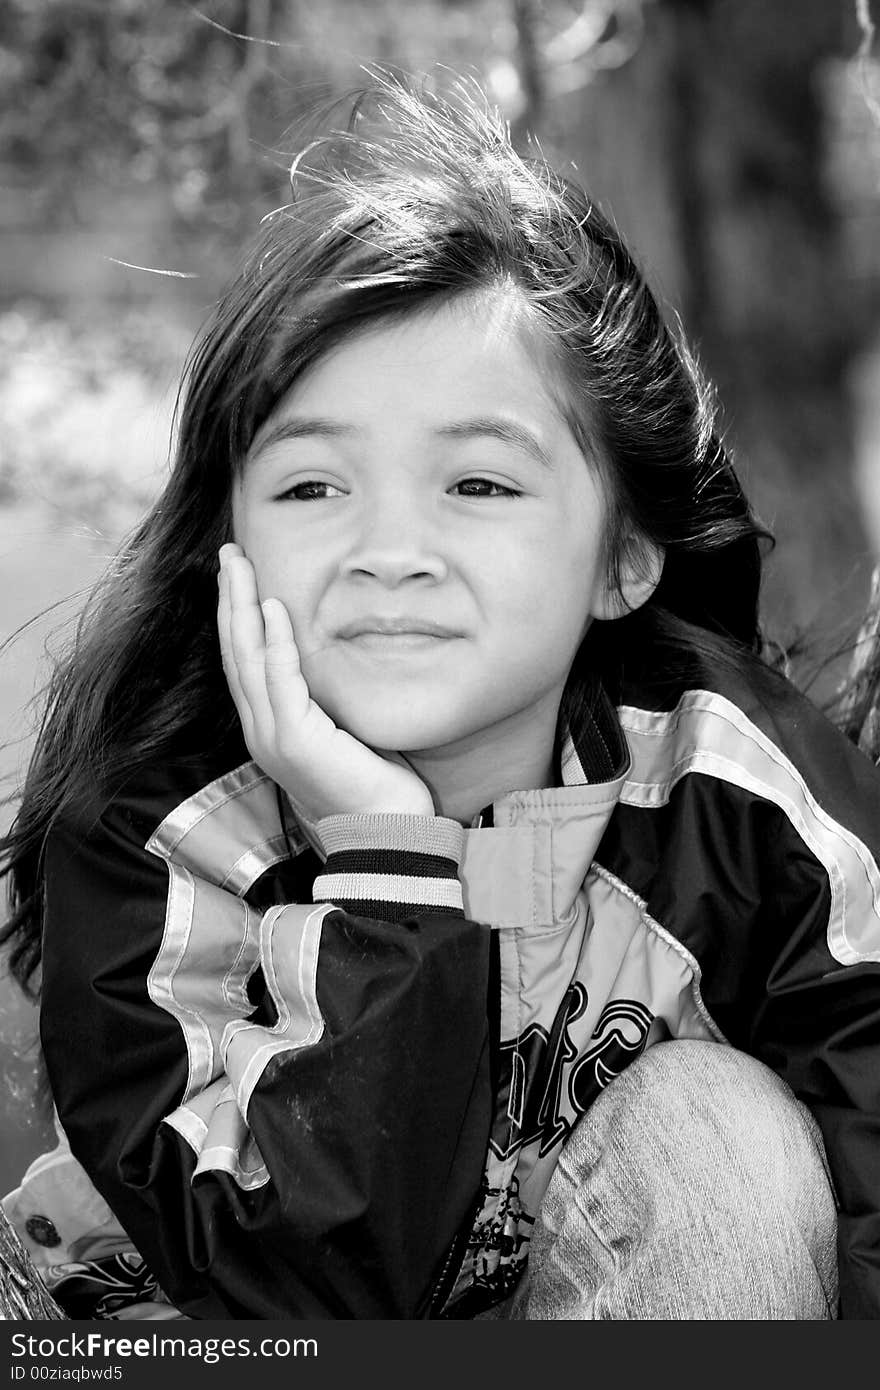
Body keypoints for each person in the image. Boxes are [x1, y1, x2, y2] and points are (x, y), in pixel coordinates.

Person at [1, 71, 878, 1322]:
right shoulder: (164, 837)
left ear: (624, 557)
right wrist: (388, 864)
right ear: (225, 547)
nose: (389, 549)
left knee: (719, 1128)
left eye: (477, 485)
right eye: (312, 490)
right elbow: (306, 1299)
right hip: (218, 1327)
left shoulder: (727, 790)